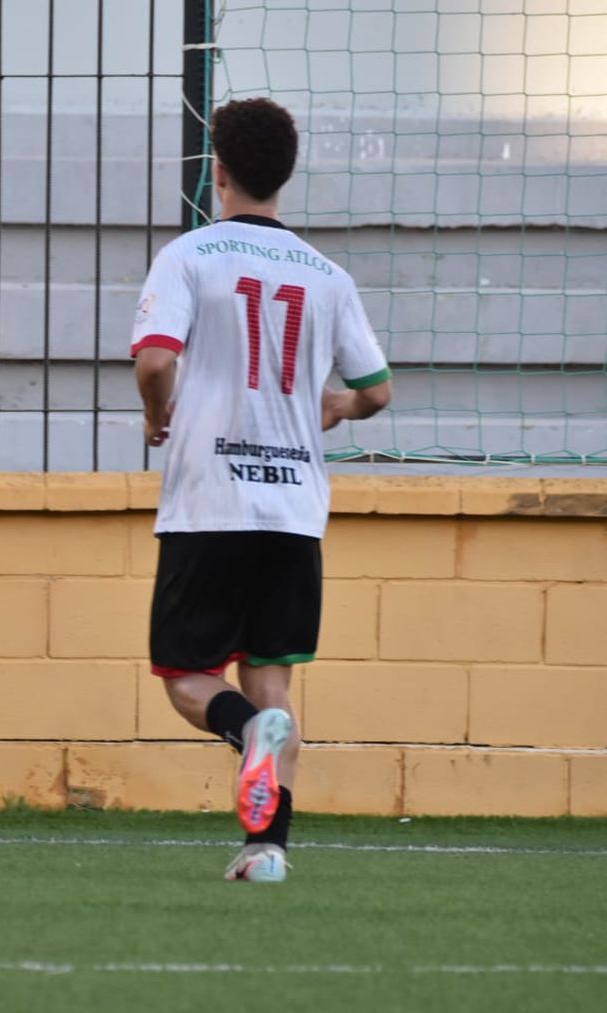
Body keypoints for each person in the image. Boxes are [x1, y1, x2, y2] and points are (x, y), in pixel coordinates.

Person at [131, 97, 392, 883]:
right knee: (271, 676)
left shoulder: (192, 255)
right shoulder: (327, 275)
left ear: (218, 169)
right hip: (292, 509)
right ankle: (267, 849)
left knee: (185, 677)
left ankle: (248, 733)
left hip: (213, 499)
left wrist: (157, 415)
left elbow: (152, 359)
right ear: (286, 172)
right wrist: (337, 405)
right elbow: (376, 388)